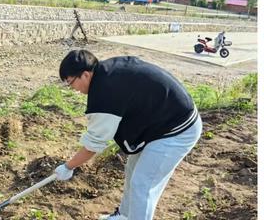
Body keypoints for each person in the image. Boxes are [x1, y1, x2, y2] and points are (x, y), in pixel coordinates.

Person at [54, 50, 202, 219]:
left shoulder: (105, 92)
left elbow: (93, 145)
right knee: (132, 170)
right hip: (158, 123)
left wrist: (68, 166)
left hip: (177, 129)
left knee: (143, 184)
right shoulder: (106, 71)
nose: (73, 89)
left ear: (85, 75)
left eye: (70, 82)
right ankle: (124, 216)